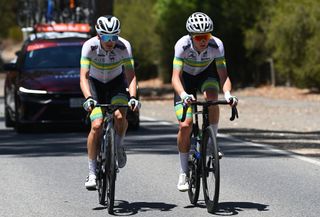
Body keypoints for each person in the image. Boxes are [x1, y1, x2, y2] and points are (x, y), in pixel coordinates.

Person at [171, 12, 238, 192]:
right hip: (185, 80)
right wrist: (184, 94)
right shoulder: (182, 45)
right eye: (199, 37)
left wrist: (229, 94)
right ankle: (183, 172)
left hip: (205, 76)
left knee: (213, 99)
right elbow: (175, 77)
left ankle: (211, 142)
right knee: (185, 125)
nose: (203, 40)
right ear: (192, 37)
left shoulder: (216, 45)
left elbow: (223, 76)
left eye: (206, 36)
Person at [80, 15, 141, 190]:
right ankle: (92, 172)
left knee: (120, 116)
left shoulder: (124, 46)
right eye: (107, 37)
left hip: (116, 83)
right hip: (95, 85)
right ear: (99, 36)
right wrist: (88, 98)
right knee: (97, 125)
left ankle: (119, 145)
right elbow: (83, 77)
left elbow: (131, 76)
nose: (111, 41)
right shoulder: (89, 46)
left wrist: (133, 98)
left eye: (114, 37)